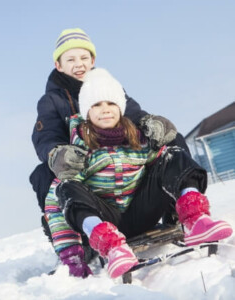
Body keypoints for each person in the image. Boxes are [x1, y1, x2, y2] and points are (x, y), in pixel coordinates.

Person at [44, 68, 233, 279]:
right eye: (96, 105)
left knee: (172, 155)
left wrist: (161, 131)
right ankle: (111, 246)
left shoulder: (138, 139)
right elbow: (55, 204)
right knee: (66, 186)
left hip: (142, 212)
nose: (105, 110)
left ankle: (195, 218)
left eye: (111, 103)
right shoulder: (78, 152)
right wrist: (71, 254)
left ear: (121, 107)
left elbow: (167, 169)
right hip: (107, 221)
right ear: (86, 112)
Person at [30, 28, 183, 223]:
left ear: (92, 61)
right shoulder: (52, 101)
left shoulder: (108, 86)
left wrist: (150, 123)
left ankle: (176, 206)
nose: (79, 64)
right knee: (42, 173)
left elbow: (133, 113)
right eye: (70, 60)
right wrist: (56, 153)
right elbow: (46, 137)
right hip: (86, 170)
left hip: (122, 162)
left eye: (84, 58)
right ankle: (72, 230)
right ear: (58, 65)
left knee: (172, 140)